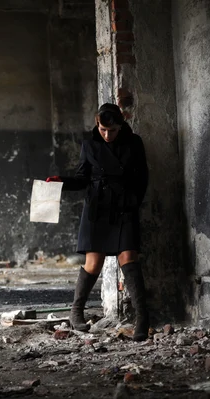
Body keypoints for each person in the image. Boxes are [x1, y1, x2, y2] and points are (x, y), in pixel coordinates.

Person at [46, 103, 149, 341]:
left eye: (112, 130)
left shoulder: (134, 143)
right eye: (103, 129)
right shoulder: (89, 145)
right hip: (97, 208)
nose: (107, 135)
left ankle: (143, 318)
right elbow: (83, 178)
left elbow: (142, 177)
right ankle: (76, 312)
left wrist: (133, 202)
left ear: (120, 125)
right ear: (97, 122)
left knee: (128, 257)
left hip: (124, 207)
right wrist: (60, 181)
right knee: (93, 262)